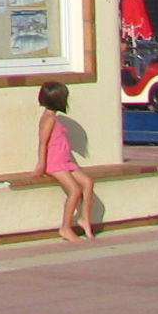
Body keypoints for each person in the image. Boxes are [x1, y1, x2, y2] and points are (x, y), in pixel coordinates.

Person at [36, 81, 96, 242]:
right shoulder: (48, 119)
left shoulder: (53, 118)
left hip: (65, 161)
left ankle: (84, 219)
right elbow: (43, 143)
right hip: (55, 163)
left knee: (88, 183)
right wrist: (41, 164)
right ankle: (66, 227)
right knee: (75, 191)